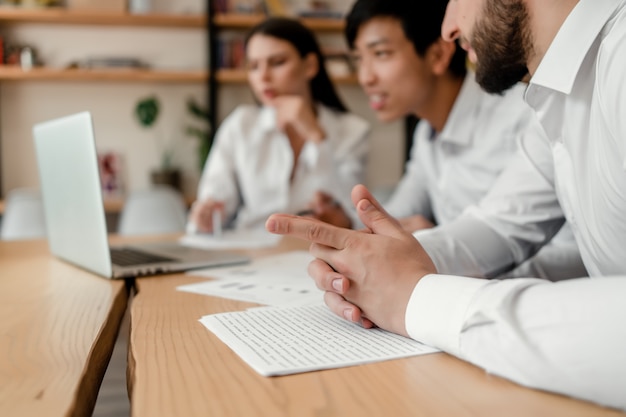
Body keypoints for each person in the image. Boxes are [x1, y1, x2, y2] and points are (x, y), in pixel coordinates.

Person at [265, 0, 626, 411]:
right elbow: (500, 223)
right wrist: (381, 263)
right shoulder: (556, 92)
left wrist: (417, 297)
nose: (449, 28)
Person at [308, 0, 585, 280]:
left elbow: (565, 248)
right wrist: (351, 225)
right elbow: (396, 216)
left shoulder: (523, 115)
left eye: (380, 54)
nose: (365, 77)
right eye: (358, 59)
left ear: (438, 55)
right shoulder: (426, 134)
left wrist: (435, 250)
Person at [189, 17, 370, 232]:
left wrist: (317, 136)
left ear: (310, 65)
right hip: (251, 250)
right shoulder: (240, 125)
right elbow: (216, 203)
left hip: (317, 251)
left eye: (277, 62)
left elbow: (352, 214)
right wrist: (207, 218)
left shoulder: (352, 130)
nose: (263, 76)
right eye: (254, 66)